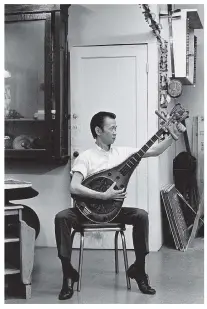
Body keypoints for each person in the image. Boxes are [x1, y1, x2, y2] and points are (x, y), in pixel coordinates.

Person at [55, 111, 185, 300]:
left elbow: (154, 150)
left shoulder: (123, 153)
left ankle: (139, 269)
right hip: (86, 211)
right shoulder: (86, 157)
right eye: (112, 128)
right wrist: (103, 195)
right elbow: (74, 187)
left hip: (112, 211)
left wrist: (173, 136)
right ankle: (68, 274)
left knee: (141, 215)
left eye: (116, 128)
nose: (116, 132)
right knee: (62, 218)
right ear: (98, 131)